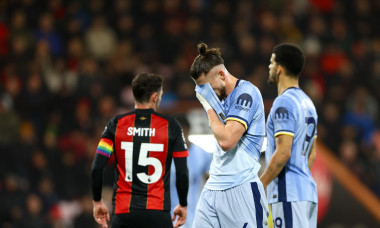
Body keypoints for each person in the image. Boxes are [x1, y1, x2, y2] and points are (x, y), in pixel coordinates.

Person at [91, 73, 189, 228]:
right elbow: (182, 172)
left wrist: (97, 201)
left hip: (123, 214)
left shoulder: (115, 124)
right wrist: (183, 204)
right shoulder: (171, 126)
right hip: (158, 213)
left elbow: (97, 168)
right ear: (155, 97)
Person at [189, 42, 269, 228]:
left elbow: (227, 141)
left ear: (221, 74)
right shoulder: (220, 95)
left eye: (208, 88)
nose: (206, 94)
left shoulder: (246, 93)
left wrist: (208, 106)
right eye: (201, 89)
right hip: (212, 189)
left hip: (241, 188)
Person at [260, 43, 318, 228]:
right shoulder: (308, 103)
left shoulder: (283, 103)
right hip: (307, 194)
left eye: (271, 62)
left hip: (287, 195)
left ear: (279, 68)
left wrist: (260, 185)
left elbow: (283, 152)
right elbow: (311, 155)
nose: (269, 67)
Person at [170, 115, 212, 228]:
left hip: (196, 218)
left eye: (182, 131)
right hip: (171, 218)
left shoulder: (202, 154)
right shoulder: (165, 155)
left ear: (188, 130)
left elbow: (212, 183)